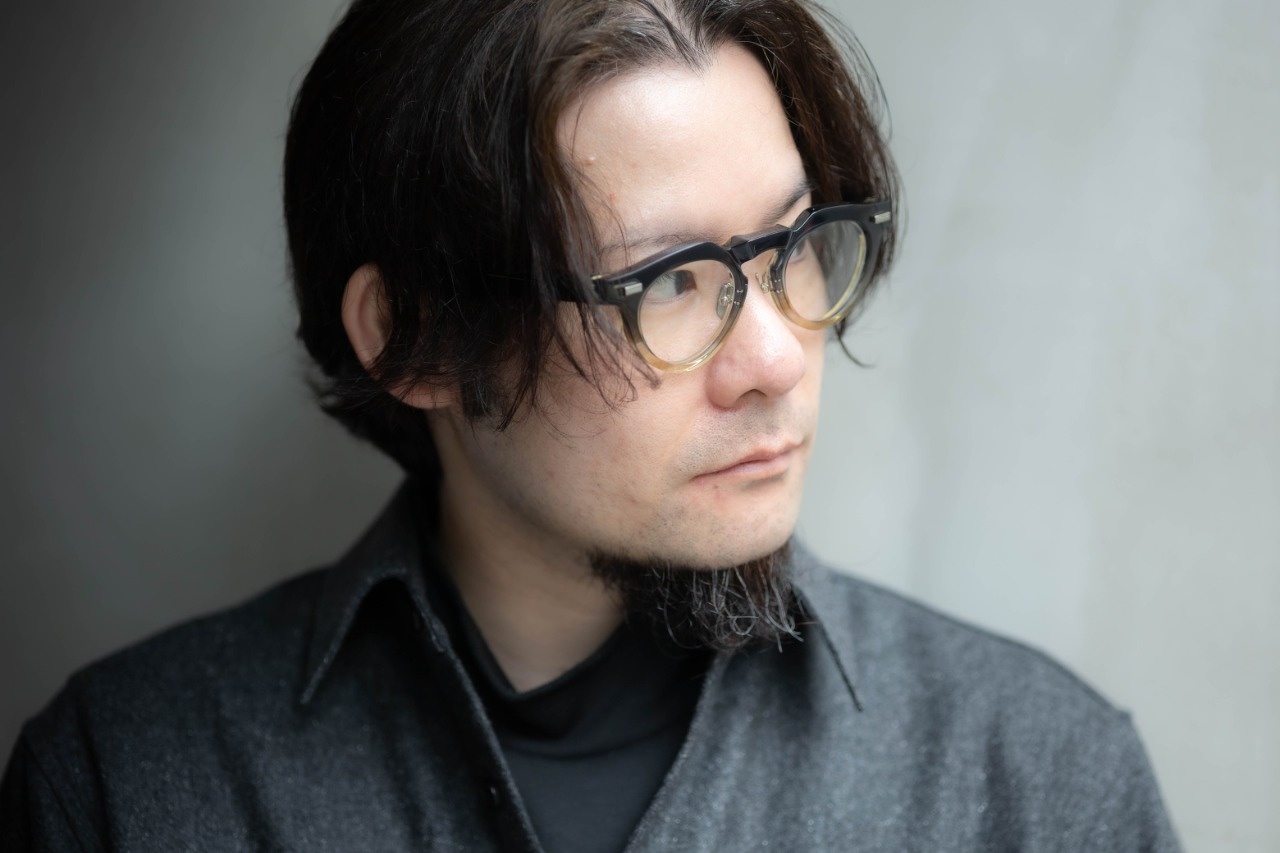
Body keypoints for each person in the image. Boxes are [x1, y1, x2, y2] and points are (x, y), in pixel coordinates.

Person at [1, 0, 1181, 850]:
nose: (776, 359)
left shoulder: (1032, 780)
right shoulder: (129, 784)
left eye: (792, 248)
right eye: (667, 282)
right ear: (416, 340)